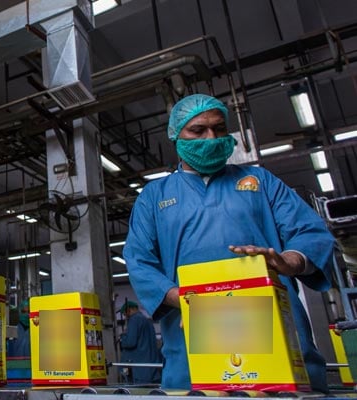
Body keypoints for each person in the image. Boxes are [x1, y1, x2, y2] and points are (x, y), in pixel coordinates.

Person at [123, 94, 335, 392]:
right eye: (198, 131)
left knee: (284, 388)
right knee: (200, 390)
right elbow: (139, 261)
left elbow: (310, 231)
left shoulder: (260, 181)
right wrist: (184, 298)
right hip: (192, 327)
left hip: (273, 319)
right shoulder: (154, 196)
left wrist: (291, 260)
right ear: (176, 136)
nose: (211, 138)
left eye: (219, 129)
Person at [119, 300, 161, 384]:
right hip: (150, 367)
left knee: (137, 393)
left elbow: (130, 342)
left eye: (124, 314)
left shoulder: (134, 319)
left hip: (138, 369)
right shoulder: (147, 321)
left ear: (129, 310)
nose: (125, 317)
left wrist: (123, 337)